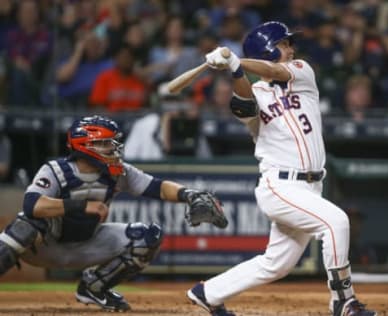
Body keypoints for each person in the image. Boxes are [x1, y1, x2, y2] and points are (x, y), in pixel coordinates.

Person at [187, 21, 377, 316]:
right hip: (280, 186)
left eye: (289, 44)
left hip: (310, 186)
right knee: (336, 222)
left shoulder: (302, 72)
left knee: (277, 264)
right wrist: (234, 69)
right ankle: (343, 301)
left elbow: (275, 71)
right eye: (283, 44)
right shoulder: (254, 93)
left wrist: (234, 60)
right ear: (266, 50)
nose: (290, 49)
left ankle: (207, 293)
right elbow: (245, 102)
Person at [0, 115, 226, 312]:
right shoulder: (55, 170)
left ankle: (94, 287)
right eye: (105, 143)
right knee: (23, 225)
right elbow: (32, 205)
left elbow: (157, 187)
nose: (113, 148)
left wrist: (189, 194)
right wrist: (82, 205)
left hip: (88, 245)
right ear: (86, 146)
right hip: (45, 246)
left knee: (148, 236)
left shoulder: (118, 172)